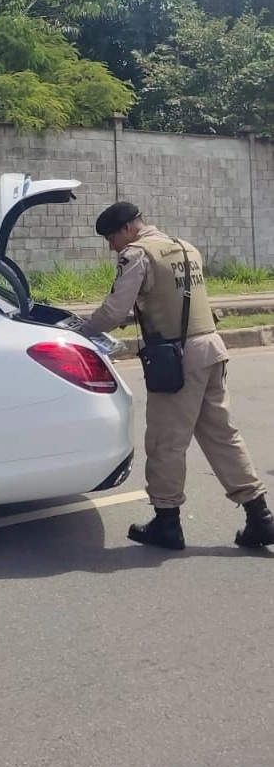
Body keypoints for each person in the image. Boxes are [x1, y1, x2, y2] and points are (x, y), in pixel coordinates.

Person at [80, 201, 274, 551]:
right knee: (221, 435)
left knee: (165, 441)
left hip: (177, 358)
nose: (111, 245)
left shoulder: (136, 255)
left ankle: (167, 524)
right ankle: (260, 516)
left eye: (111, 237)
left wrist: (81, 329)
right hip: (212, 350)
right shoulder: (185, 248)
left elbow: (115, 308)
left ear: (126, 229)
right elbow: (171, 299)